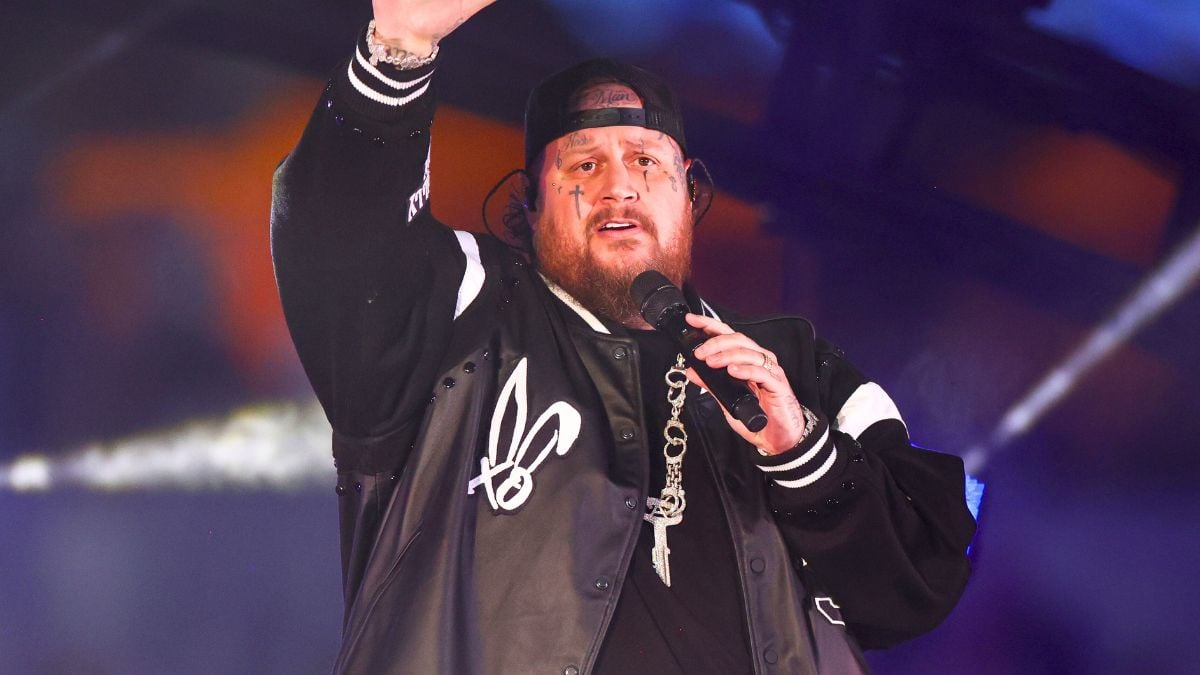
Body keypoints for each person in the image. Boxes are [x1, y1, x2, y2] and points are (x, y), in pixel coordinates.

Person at [270, 1, 976, 672]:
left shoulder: (795, 365)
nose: (620, 189)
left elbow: (921, 577)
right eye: (584, 165)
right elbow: (337, 243)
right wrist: (394, 54)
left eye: (647, 161)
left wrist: (802, 454)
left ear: (690, 195)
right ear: (531, 202)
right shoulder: (464, 310)